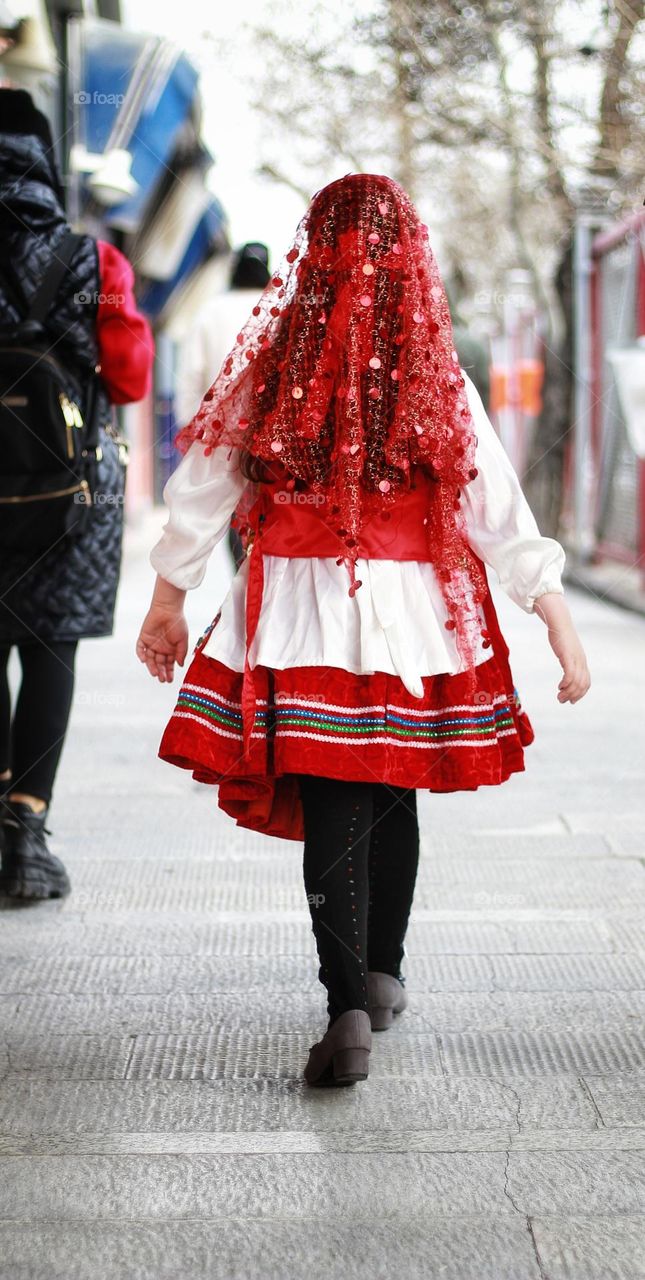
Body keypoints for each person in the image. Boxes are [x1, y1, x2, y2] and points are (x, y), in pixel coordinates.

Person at [137, 173, 590, 1087]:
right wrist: (556, 620)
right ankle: (382, 977)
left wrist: (168, 599)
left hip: (296, 610)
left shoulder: (272, 361)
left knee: (333, 799)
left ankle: (343, 1001)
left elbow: (204, 488)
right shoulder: (434, 373)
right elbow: (495, 508)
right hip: (412, 619)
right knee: (392, 788)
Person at [0, 89, 154, 900]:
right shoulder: (92, 260)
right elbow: (129, 373)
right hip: (67, 485)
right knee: (47, 642)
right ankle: (26, 835)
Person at [175, 242, 271, 568]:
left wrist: (189, 430)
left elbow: (189, 375)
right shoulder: (280, 307)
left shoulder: (210, 311)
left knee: (233, 518)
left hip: (222, 439)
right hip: (270, 440)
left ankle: (243, 582)